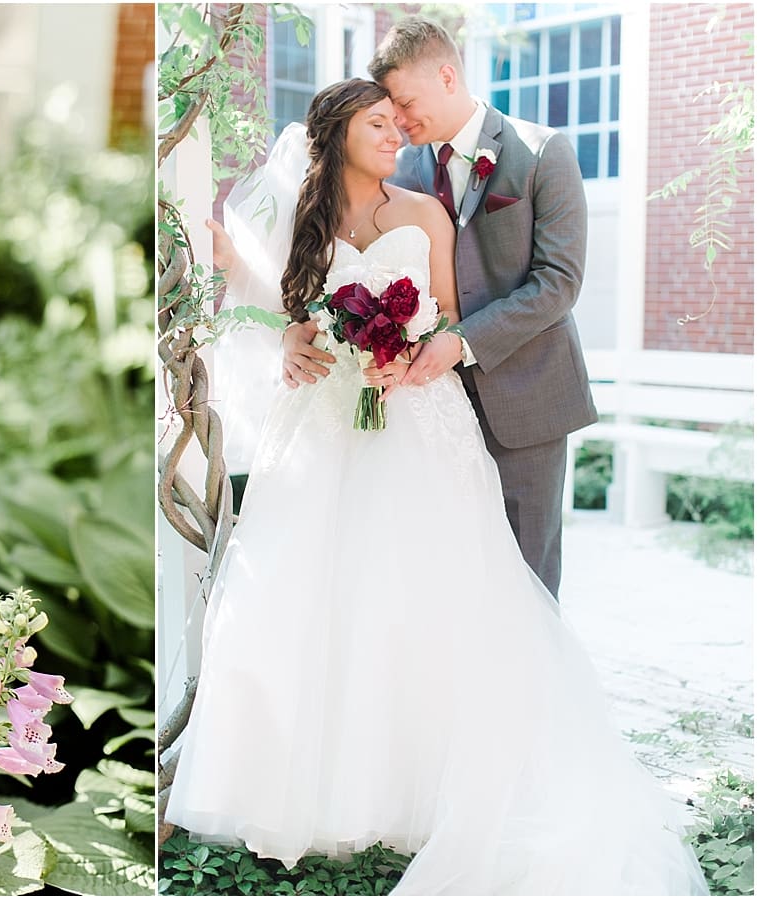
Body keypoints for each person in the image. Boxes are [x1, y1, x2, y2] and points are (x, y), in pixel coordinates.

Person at [163, 77, 707, 894]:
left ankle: (434, 783)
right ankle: (306, 786)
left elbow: (448, 316)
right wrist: (291, 340)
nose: (396, 134)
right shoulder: (307, 223)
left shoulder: (425, 213)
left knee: (430, 592)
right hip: (324, 423)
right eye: (379, 123)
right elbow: (289, 313)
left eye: (397, 121)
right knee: (317, 592)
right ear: (340, 132)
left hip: (419, 416)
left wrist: (406, 349)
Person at [281, 16, 597, 600]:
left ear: (447, 75)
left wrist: (461, 341)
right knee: (440, 586)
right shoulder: (397, 168)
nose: (397, 122)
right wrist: (295, 332)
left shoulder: (542, 152)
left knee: (526, 584)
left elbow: (558, 282)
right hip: (423, 411)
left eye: (403, 102)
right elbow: (334, 263)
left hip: (523, 398)